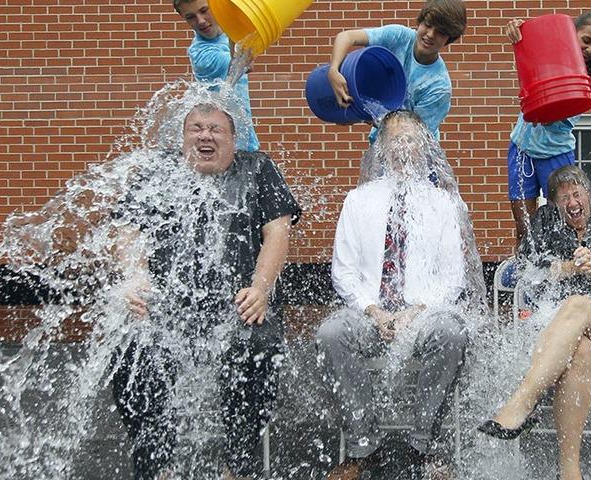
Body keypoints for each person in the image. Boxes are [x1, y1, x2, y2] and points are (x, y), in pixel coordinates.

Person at [112, 102, 301, 480]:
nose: (205, 135)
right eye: (196, 128)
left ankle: (238, 465)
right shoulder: (157, 171)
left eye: (215, 129)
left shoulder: (257, 168)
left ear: (233, 140)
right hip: (165, 304)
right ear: (182, 139)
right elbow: (126, 230)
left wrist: (261, 288)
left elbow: (277, 231)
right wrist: (134, 278)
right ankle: (156, 467)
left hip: (238, 303)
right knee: (131, 349)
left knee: (259, 344)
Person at [316, 110, 469, 480]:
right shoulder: (358, 200)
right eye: (395, 140)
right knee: (330, 334)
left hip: (421, 314)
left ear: (424, 147)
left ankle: (423, 445)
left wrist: (413, 312)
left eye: (410, 139)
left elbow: (453, 278)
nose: (403, 147)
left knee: (453, 333)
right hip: (369, 313)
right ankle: (362, 447)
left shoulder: (441, 203)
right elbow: (344, 271)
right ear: (381, 148)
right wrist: (373, 311)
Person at [478, 166, 591, 480]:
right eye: (563, 197)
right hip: (555, 325)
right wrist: (567, 266)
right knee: (580, 353)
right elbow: (527, 269)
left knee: (577, 304)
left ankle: (523, 401)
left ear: (588, 195)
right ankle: (569, 471)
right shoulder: (543, 223)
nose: (571, 202)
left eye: (577, 194)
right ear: (554, 204)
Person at [505, 12, 591, 249]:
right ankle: (524, 269)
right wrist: (518, 29)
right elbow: (529, 40)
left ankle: (569, 266)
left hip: (555, 154)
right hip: (521, 148)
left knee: (565, 218)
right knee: (523, 222)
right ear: (570, 34)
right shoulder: (549, 59)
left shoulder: (584, 80)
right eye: (586, 40)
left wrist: (544, 112)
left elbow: (554, 117)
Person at [326, 0, 467, 141]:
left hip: (415, 152)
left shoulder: (439, 87)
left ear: (450, 37)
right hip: (381, 142)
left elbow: (413, 139)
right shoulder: (399, 37)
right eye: (428, 25)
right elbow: (347, 37)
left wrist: (362, 116)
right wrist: (334, 70)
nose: (430, 34)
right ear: (420, 22)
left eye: (440, 32)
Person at [173, 0, 261, 151]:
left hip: (246, 145)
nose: (200, 21)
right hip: (221, 153)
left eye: (204, 10)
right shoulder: (201, 55)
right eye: (191, 17)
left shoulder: (227, 35)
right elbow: (241, 62)